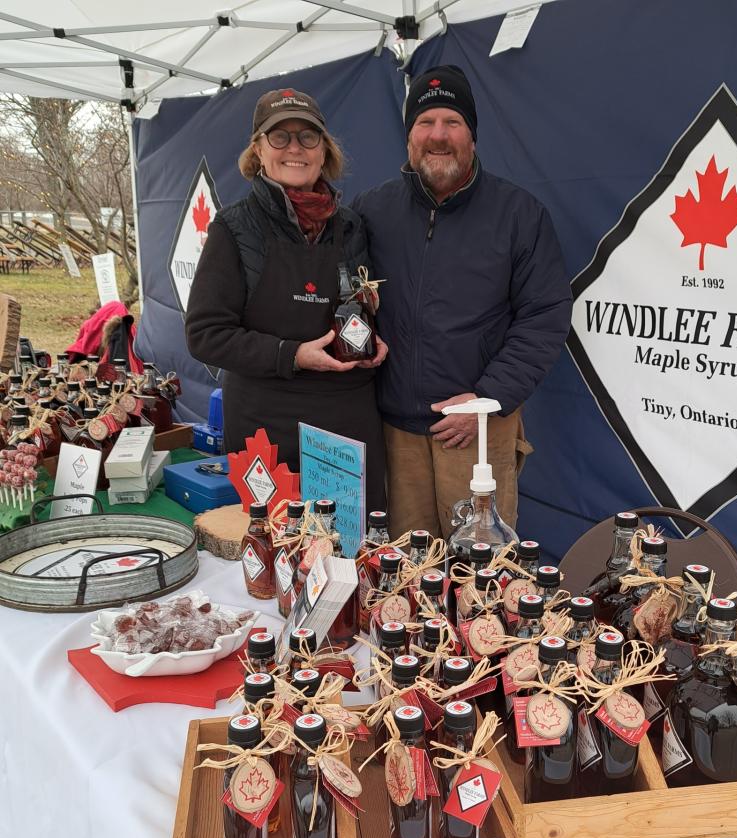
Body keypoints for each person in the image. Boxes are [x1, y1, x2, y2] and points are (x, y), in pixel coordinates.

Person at [353, 65, 571, 537]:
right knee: (410, 572)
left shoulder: (519, 215)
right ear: (409, 136)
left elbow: (544, 315)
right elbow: (347, 297)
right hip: (398, 432)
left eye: (452, 122)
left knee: (479, 575)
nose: (438, 136)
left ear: (471, 135)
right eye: (425, 123)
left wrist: (487, 399)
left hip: (479, 428)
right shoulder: (371, 210)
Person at [185, 88, 388, 509]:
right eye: (279, 136)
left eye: (307, 137)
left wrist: (374, 340)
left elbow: (359, 306)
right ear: (259, 151)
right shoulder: (234, 228)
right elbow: (205, 334)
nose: (294, 148)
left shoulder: (352, 227)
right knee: (275, 553)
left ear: (323, 150)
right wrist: (291, 354)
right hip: (267, 427)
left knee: (351, 556)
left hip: (346, 425)